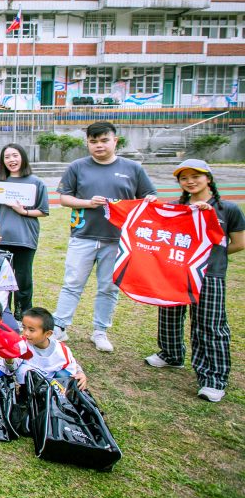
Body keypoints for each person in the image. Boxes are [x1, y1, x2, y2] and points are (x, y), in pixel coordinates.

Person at [144, 160, 244, 403]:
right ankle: (171, 354)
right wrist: (148, 207)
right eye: (183, 177)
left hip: (209, 275)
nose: (190, 181)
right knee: (169, 314)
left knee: (209, 324)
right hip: (175, 272)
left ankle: (213, 379)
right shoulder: (176, 208)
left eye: (195, 176)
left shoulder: (226, 209)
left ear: (208, 178)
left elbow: (239, 243)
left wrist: (209, 257)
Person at [52, 121, 156, 353]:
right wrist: (87, 203)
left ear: (115, 141)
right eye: (93, 141)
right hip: (83, 235)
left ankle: (100, 330)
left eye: (104, 140)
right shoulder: (78, 167)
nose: (99, 145)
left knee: (109, 287)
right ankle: (60, 325)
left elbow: (149, 197)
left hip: (118, 240)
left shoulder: (133, 168)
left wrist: (149, 200)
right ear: (87, 143)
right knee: (72, 283)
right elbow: (64, 198)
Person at [0, 143, 48, 320]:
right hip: (2, 239)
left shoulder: (36, 183)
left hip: (25, 238)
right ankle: (4, 314)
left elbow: (43, 211)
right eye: (7, 157)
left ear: (22, 157)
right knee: (2, 279)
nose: (12, 160)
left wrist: (24, 211)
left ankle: (23, 315)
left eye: (15, 155)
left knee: (23, 279)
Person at [14, 307, 87, 390]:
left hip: (53, 385)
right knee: (25, 370)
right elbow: (12, 366)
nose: (26, 333)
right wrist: (9, 360)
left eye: (31, 330)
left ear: (48, 334)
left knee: (64, 375)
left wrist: (80, 373)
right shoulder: (21, 344)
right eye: (24, 328)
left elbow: (72, 364)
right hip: (30, 386)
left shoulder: (60, 350)